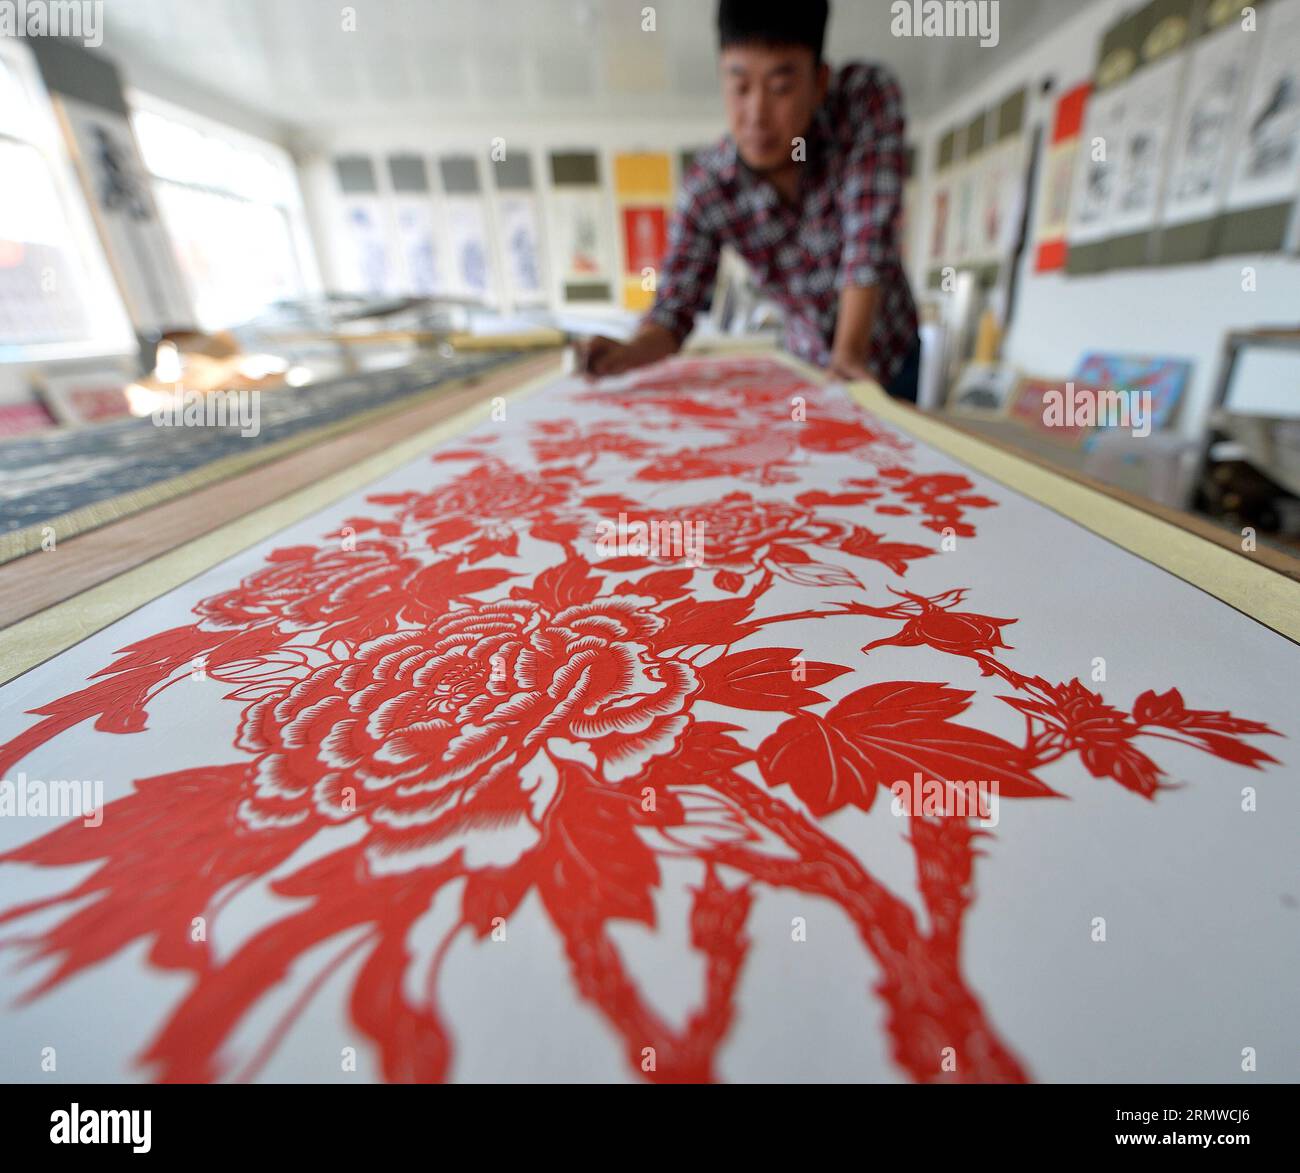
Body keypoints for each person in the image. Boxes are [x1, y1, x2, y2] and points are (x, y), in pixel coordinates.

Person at [577, 0, 921, 401]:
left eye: (781, 87)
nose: (756, 114)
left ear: (819, 83)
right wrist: (627, 353)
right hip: (808, 364)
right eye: (739, 86)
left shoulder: (863, 100)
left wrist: (848, 356)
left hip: (891, 351)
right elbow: (674, 311)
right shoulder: (708, 188)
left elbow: (868, 241)